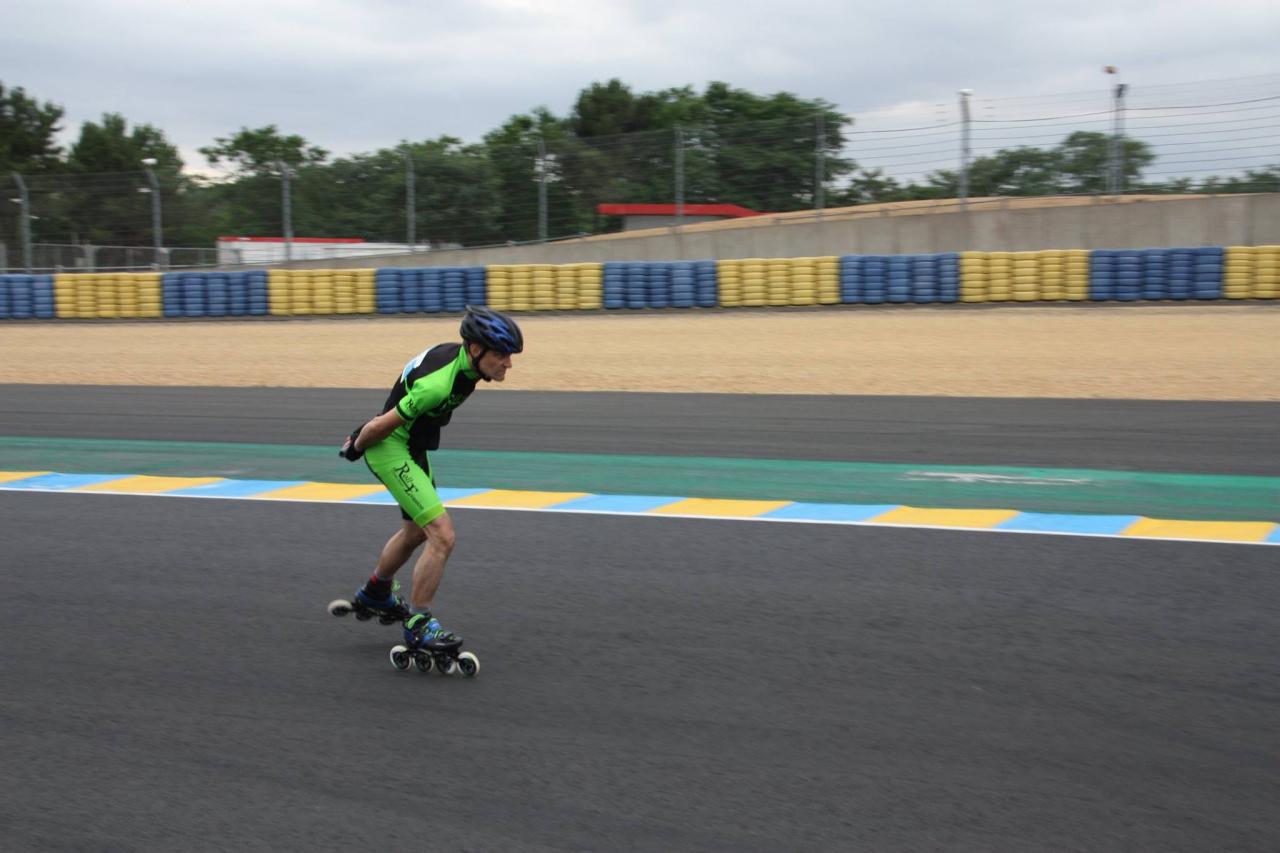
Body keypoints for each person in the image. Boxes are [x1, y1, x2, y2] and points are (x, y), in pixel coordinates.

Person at [338, 305, 523, 652]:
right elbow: (383, 423)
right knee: (442, 535)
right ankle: (419, 623)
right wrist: (356, 445)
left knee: (414, 532)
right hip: (389, 445)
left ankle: (377, 591)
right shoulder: (437, 386)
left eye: (510, 355)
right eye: (501, 354)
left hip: (413, 445)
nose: (508, 364)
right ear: (475, 349)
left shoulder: (464, 364)